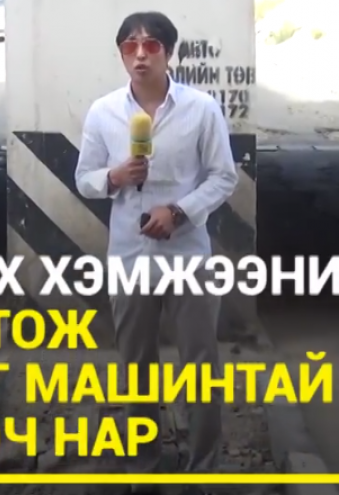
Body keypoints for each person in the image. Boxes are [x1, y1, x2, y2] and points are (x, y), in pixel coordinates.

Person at [74, 10, 239, 495]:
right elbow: (84, 179)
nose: (140, 55)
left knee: (200, 367)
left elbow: (223, 177)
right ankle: (144, 468)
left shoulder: (202, 109)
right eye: (130, 46)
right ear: (122, 54)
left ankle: (203, 471)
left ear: (169, 52)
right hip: (129, 258)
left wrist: (179, 212)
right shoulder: (103, 112)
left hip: (188, 259)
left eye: (151, 46)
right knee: (136, 367)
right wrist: (114, 177)